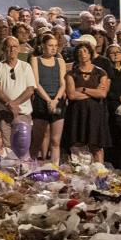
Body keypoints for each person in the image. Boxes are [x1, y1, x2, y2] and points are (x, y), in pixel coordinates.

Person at [64, 43, 110, 163]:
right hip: (78, 114)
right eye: (79, 52)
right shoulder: (72, 74)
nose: (82, 54)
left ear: (90, 54)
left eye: (85, 51)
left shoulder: (100, 72)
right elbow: (72, 95)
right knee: (78, 145)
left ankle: (99, 174)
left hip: (95, 114)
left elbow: (102, 94)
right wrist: (93, 93)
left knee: (97, 147)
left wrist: (83, 89)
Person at [0, 37, 35, 153]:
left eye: (15, 47)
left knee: (22, 147)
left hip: (22, 113)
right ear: (4, 49)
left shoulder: (26, 67)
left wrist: (15, 104)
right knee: (6, 148)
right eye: (9, 47)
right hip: (4, 114)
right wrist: (9, 104)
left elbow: (30, 90)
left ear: (19, 49)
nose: (12, 49)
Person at [30, 32, 68, 164]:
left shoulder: (60, 61)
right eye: (50, 45)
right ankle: (30, 167)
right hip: (42, 99)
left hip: (57, 100)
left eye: (55, 46)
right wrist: (48, 100)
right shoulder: (35, 60)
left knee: (55, 140)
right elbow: (36, 83)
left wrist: (55, 100)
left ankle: (54, 169)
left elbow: (63, 83)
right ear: (42, 46)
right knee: (38, 139)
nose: (53, 48)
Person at [99, 43, 121, 168]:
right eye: (112, 53)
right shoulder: (106, 72)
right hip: (112, 105)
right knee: (115, 134)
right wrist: (117, 97)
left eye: (117, 52)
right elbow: (106, 89)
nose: (115, 55)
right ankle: (115, 163)